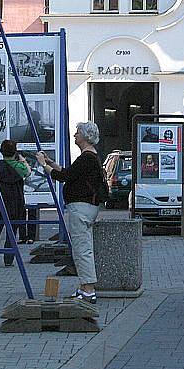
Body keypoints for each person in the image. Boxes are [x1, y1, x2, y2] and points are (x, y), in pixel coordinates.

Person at [37, 122, 105, 304]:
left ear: (85, 136)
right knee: (82, 247)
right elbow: (69, 173)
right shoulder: (89, 157)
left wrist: (44, 165)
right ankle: (84, 288)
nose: (74, 135)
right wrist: (52, 163)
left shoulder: (87, 158)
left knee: (82, 249)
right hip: (85, 207)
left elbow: (64, 177)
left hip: (81, 208)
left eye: (77, 133)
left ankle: (89, 289)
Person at [0, 140, 30, 267]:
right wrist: (23, 160)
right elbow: (28, 172)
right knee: (11, 233)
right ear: (15, 152)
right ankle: (8, 260)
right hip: (15, 204)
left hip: (0, 203)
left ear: (1, 152)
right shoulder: (19, 167)